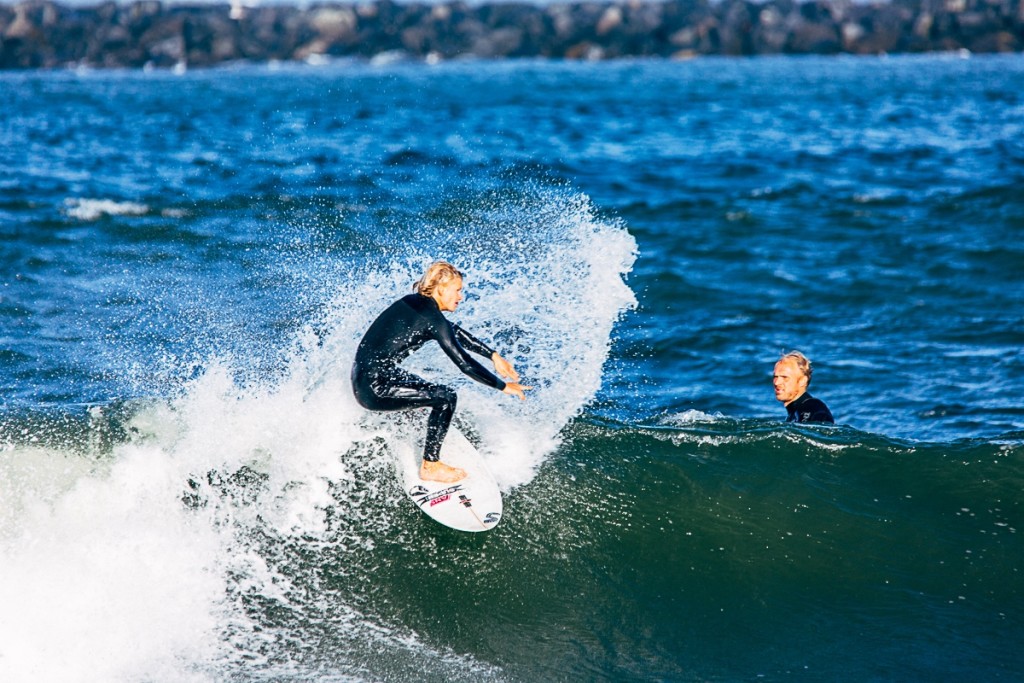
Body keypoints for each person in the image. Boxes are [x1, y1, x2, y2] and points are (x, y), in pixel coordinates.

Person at [351, 261, 531, 483]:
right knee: (446, 397)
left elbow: (453, 331)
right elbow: (464, 364)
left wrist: (492, 355)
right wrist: (502, 386)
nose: (461, 297)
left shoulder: (414, 302)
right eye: (458, 290)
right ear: (441, 288)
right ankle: (431, 466)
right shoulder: (433, 319)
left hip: (363, 377)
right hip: (372, 390)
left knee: (422, 386)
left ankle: (406, 415)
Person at [772, 350, 834, 424]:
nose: (776, 382)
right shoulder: (794, 414)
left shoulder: (813, 407)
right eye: (775, 377)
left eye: (785, 377)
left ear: (803, 381)